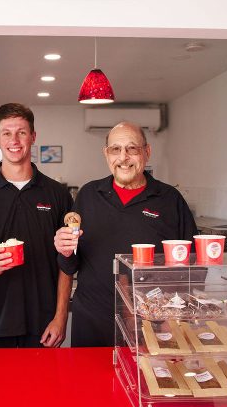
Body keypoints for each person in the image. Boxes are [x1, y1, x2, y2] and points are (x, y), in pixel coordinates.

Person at [54, 121, 197, 347]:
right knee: (90, 382)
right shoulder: (89, 195)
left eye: (132, 148)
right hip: (93, 321)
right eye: (115, 149)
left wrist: (173, 320)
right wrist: (64, 249)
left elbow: (194, 268)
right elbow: (70, 263)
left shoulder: (170, 200)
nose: (123, 157)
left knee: (144, 382)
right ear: (106, 154)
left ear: (146, 152)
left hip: (151, 324)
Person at [0, 103, 73, 348]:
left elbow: (67, 261)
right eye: (7, 133)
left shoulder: (58, 194)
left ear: (33, 137)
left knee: (44, 387)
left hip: (44, 324)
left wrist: (61, 317)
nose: (14, 140)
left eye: (21, 132)